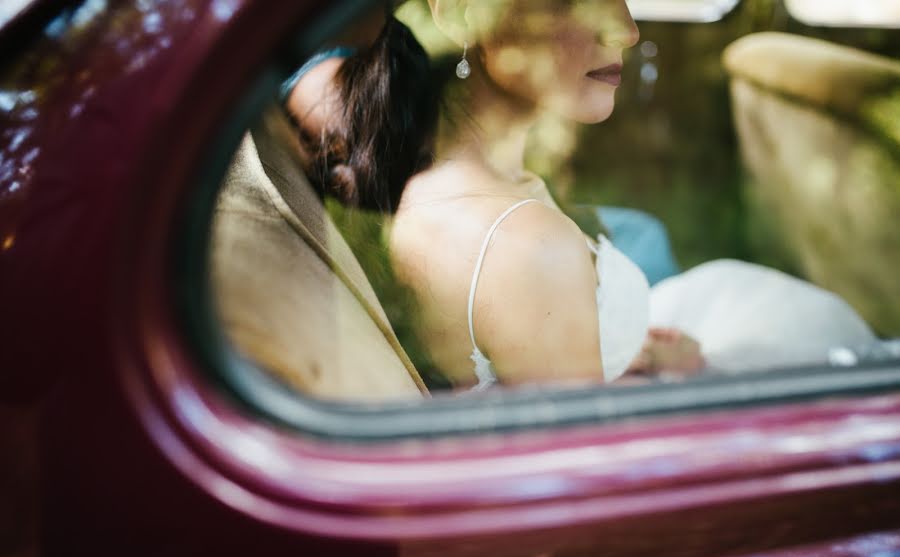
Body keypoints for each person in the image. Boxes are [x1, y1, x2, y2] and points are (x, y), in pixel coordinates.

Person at [286, 0, 879, 390]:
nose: (626, 28)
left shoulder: (448, 177)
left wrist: (617, 354)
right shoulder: (530, 249)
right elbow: (595, 473)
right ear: (463, 13)